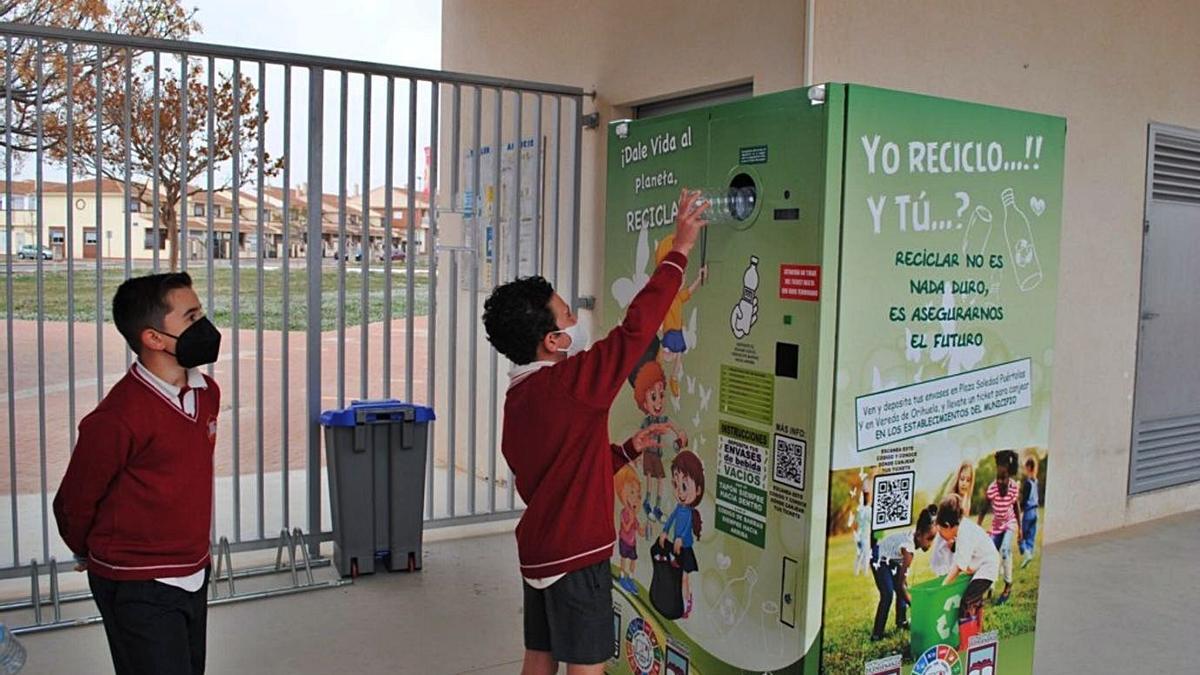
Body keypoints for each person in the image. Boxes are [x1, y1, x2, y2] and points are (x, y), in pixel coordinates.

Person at [482, 189, 708, 675]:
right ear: (553, 341)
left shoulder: (518, 398)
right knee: (588, 668)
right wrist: (680, 251)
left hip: (539, 552)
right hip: (576, 556)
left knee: (538, 658)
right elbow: (635, 330)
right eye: (567, 316)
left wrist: (626, 450)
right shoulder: (573, 382)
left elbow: (557, 474)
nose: (576, 320)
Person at [53, 273, 222, 675]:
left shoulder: (206, 393)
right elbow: (73, 500)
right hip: (137, 582)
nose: (205, 326)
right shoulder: (117, 418)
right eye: (192, 316)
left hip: (193, 570)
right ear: (154, 339)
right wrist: (88, 549)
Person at [937, 494, 1000, 653]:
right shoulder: (964, 528)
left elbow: (958, 565)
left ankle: (966, 645)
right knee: (975, 601)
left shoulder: (964, 533)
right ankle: (978, 634)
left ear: (947, 525)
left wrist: (944, 584)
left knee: (967, 602)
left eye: (941, 531)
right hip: (984, 565)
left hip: (987, 567)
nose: (942, 536)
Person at [869, 505, 939, 641]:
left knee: (902, 587)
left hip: (891, 560)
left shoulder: (916, 534)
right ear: (919, 535)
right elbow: (901, 587)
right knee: (888, 594)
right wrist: (916, 606)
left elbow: (902, 585)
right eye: (929, 538)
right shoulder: (909, 551)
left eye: (933, 539)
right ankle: (877, 634)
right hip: (879, 558)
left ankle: (901, 621)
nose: (931, 543)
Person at [652, 234, 707, 398]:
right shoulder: (664, 297)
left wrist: (700, 277)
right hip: (670, 331)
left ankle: (673, 378)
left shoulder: (677, 297)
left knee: (677, 356)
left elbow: (690, 290)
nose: (681, 279)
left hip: (677, 331)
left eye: (682, 276)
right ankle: (657, 373)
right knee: (667, 353)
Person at [632, 360, 688, 521]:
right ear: (644, 402)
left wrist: (680, 433)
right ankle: (647, 504)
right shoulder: (647, 422)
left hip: (657, 455)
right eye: (653, 396)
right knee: (650, 480)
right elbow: (639, 439)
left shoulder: (663, 418)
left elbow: (672, 425)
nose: (658, 402)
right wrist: (638, 456)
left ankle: (657, 507)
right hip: (649, 454)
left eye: (661, 395)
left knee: (661, 481)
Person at [659, 450, 706, 619]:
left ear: (698, 490)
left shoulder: (689, 511)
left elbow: (686, 527)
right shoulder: (679, 508)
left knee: (684, 578)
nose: (679, 491)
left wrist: (679, 537)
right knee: (675, 577)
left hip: (685, 548)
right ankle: (679, 601)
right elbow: (671, 518)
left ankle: (687, 603)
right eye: (676, 485)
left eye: (684, 486)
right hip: (676, 547)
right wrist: (665, 531)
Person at [977, 449, 1022, 604]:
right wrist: (978, 527)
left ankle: (1008, 585)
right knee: (990, 555)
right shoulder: (992, 489)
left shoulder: (1014, 486)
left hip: (1009, 523)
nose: (1002, 482)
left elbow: (1016, 508)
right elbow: (983, 509)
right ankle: (990, 585)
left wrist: (1020, 529)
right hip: (996, 527)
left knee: (1004, 551)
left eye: (1004, 479)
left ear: (1008, 471)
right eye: (1000, 479)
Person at [614, 465, 647, 594]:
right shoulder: (624, 513)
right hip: (624, 541)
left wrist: (642, 530)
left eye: (638, 495)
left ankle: (630, 578)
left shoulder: (634, 515)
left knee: (633, 559)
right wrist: (632, 520)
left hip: (632, 543)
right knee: (624, 558)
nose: (635, 498)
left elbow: (638, 529)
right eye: (632, 493)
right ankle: (622, 577)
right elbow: (626, 527)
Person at [1019, 456, 1041, 567]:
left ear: (1028, 467)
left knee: (1021, 536)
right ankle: (1027, 561)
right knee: (1031, 538)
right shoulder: (1036, 481)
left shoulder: (1027, 483)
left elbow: (1024, 500)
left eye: (1025, 467)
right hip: (1036, 512)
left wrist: (1021, 514)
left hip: (1028, 512)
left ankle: (1027, 554)